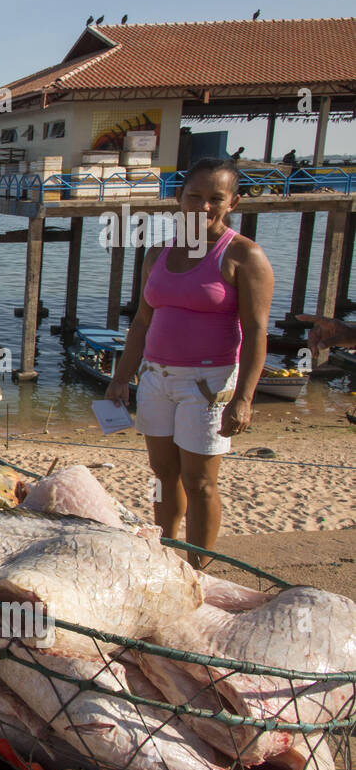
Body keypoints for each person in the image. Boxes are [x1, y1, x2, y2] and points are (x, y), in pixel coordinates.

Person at [106, 157, 275, 566]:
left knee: (199, 483)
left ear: (232, 202)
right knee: (163, 475)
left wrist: (245, 398)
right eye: (194, 196)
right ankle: (167, 554)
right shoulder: (159, 253)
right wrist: (120, 378)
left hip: (208, 383)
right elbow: (142, 324)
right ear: (179, 199)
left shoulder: (244, 256)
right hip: (155, 378)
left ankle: (198, 567)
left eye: (215, 198)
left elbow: (255, 332)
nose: (203, 207)